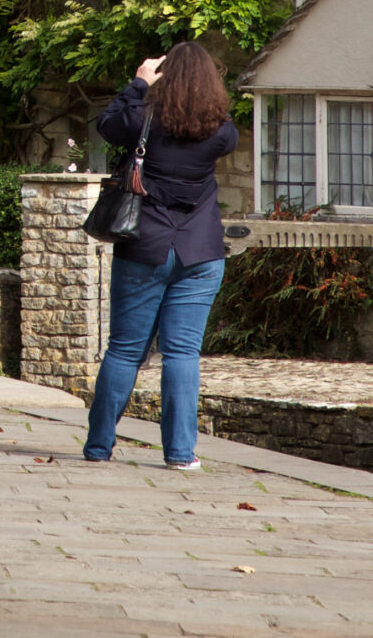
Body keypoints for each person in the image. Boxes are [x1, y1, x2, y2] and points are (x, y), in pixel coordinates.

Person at [82, 41, 241, 472]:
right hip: (200, 253)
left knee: (124, 350)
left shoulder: (141, 120)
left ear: (165, 78)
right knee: (183, 354)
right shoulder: (221, 131)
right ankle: (180, 454)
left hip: (145, 247)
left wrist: (139, 81)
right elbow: (221, 131)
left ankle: (98, 448)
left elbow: (107, 124)